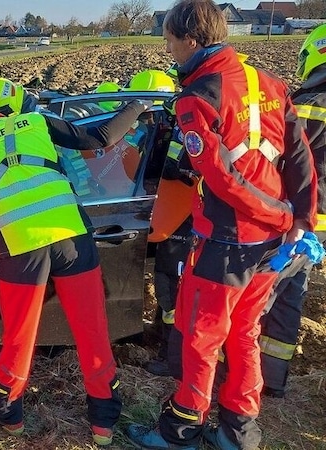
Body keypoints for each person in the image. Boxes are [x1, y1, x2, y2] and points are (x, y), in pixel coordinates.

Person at [126, 2, 317, 450]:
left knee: (199, 336)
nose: (168, 48)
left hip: (227, 242)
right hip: (273, 243)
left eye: (171, 39)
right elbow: (299, 155)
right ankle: (239, 432)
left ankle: (181, 432)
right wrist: (300, 219)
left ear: (191, 39)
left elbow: (222, 180)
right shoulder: (267, 80)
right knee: (245, 333)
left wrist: (283, 216)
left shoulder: (198, 96)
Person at [0, 77, 152, 446]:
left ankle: (8, 411)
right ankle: (103, 422)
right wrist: (135, 107)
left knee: (19, 334)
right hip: (69, 233)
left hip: (21, 244)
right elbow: (100, 139)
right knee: (92, 328)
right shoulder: (36, 122)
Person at [257, 23, 326, 399]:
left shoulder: (309, 105)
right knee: (290, 294)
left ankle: (240, 376)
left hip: (297, 218)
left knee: (262, 294)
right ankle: (273, 380)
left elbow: (284, 158)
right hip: (318, 221)